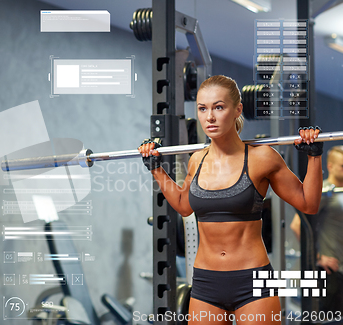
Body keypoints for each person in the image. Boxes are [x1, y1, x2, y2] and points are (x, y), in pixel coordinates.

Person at [138, 75, 323, 325]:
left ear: (237, 109)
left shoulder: (262, 157)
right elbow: (183, 206)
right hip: (205, 282)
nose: (209, 117)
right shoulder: (197, 159)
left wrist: (314, 157)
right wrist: (156, 169)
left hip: (253, 280)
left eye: (219, 107)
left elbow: (308, 204)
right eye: (202, 109)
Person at [290, 145, 343, 316]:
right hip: (332, 270)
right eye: (342, 166)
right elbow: (297, 225)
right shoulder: (324, 192)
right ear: (330, 166)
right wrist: (318, 257)